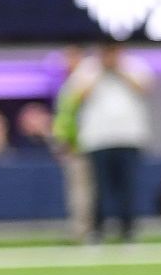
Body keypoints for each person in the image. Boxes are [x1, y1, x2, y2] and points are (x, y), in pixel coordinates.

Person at [62, 44, 154, 242]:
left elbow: (144, 89)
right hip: (98, 139)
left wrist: (119, 69)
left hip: (129, 136)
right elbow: (79, 96)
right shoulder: (88, 67)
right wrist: (101, 69)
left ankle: (128, 229)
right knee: (99, 187)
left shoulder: (134, 64)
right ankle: (97, 230)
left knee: (127, 186)